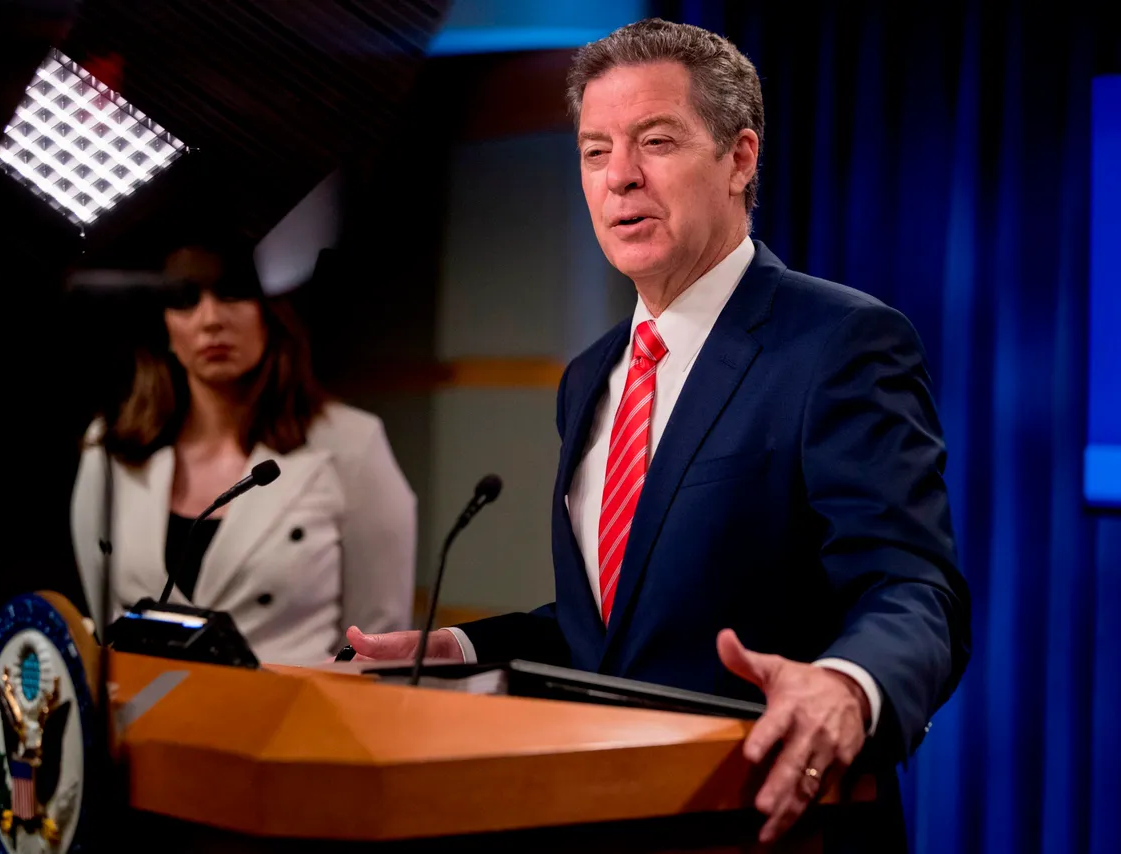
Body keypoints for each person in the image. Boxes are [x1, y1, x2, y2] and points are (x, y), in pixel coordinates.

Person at [342, 18, 970, 850]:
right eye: (595, 152)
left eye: (656, 141)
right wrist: (456, 649)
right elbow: (611, 629)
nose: (620, 179)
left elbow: (913, 586)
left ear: (740, 158)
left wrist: (848, 688)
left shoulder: (840, 342)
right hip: (601, 810)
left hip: (770, 822)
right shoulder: (590, 376)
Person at [71, 237, 416, 664]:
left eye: (232, 292)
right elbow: (105, 627)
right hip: (148, 717)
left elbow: (376, 644)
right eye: (185, 298)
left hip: (295, 719)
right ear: (163, 324)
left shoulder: (352, 443)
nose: (210, 319)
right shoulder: (110, 446)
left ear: (272, 310)